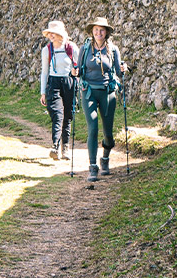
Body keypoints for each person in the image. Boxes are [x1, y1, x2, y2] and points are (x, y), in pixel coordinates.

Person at [75, 17, 125, 181]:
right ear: (92, 31)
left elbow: (118, 70)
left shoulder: (113, 50)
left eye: (102, 30)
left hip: (108, 93)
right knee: (93, 126)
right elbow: (79, 70)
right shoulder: (85, 49)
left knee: (108, 134)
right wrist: (74, 72)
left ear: (107, 32)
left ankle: (105, 158)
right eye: (96, 29)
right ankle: (92, 167)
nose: (99, 33)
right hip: (89, 91)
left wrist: (124, 69)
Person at [40, 19, 78, 160]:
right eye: (50, 33)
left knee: (67, 116)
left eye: (54, 33)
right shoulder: (47, 50)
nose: (52, 36)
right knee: (57, 114)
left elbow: (79, 66)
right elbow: (44, 72)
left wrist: (77, 72)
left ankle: (65, 148)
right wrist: (43, 92)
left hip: (69, 82)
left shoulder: (71, 48)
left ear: (61, 34)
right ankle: (55, 145)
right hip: (53, 83)